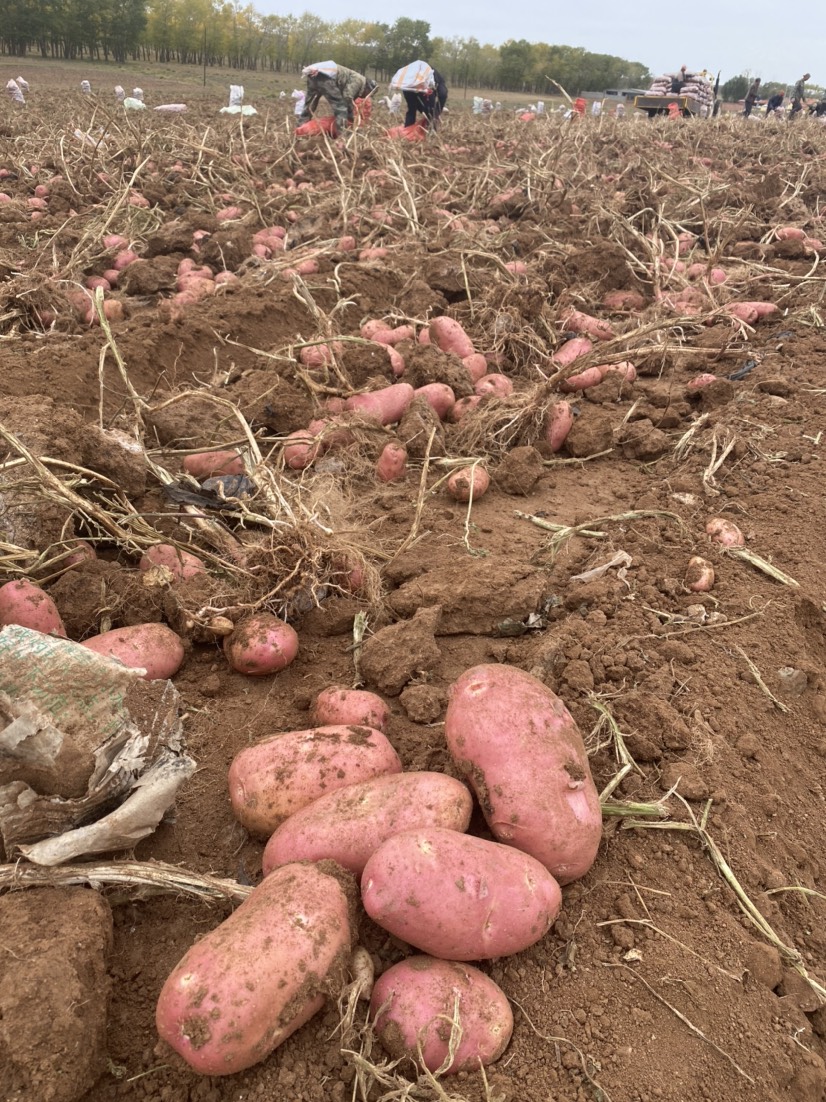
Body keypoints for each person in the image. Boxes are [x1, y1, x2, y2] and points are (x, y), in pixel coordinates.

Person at [299, 62, 376, 133]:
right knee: (341, 106)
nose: (366, 97)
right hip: (325, 77)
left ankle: (300, 127)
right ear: (368, 88)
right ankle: (342, 133)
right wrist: (351, 117)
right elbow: (347, 97)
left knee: (310, 103)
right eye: (368, 94)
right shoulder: (359, 80)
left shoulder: (358, 80)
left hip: (313, 75)